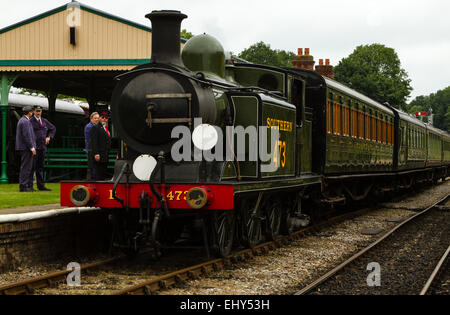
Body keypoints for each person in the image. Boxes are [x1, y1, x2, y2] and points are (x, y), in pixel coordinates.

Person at [30, 106, 56, 191]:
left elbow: (53, 128)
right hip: (34, 147)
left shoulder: (44, 121)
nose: (38, 113)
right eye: (37, 111)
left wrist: (49, 137)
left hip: (42, 147)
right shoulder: (30, 121)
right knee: (32, 167)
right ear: (33, 111)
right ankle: (30, 186)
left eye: (40, 111)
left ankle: (41, 186)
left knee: (40, 167)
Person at [16, 106, 37, 192]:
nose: (32, 113)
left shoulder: (22, 120)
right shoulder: (25, 122)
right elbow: (27, 136)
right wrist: (32, 148)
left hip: (24, 147)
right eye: (32, 112)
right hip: (26, 148)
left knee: (26, 167)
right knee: (26, 167)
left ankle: (25, 185)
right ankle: (23, 186)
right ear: (29, 112)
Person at [89, 111, 111, 180]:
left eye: (106, 118)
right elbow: (94, 142)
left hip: (105, 154)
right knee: (98, 174)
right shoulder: (95, 127)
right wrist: (96, 153)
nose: (104, 119)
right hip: (99, 154)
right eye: (102, 117)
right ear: (100, 118)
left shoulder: (106, 128)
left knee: (103, 173)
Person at [84, 112, 99, 180]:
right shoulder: (89, 127)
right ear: (91, 119)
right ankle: (92, 180)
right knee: (92, 167)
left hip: (93, 148)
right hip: (90, 149)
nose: (97, 119)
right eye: (95, 118)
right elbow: (92, 139)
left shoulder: (95, 126)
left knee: (94, 167)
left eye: (98, 118)